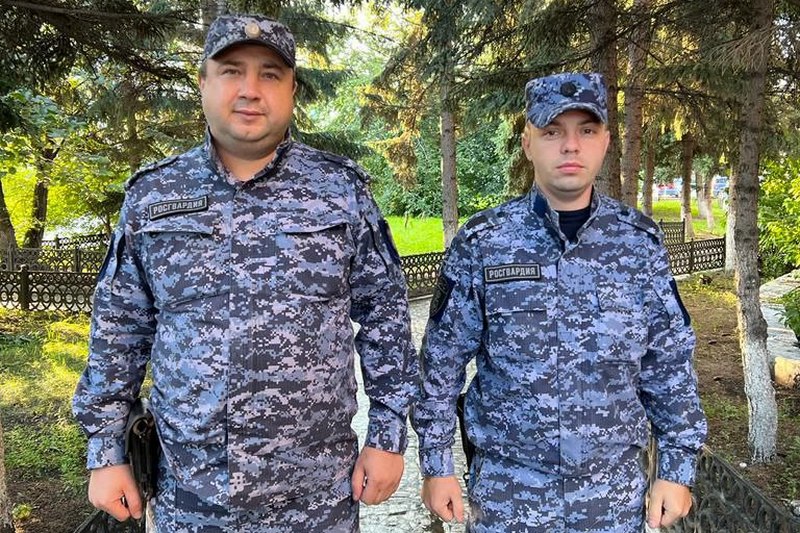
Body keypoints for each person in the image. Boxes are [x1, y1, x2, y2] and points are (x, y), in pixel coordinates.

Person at [73, 14, 418, 532]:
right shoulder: (154, 196)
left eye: (270, 74)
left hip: (317, 495)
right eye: (232, 71)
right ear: (203, 83)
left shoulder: (341, 191)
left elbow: (385, 316)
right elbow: (119, 330)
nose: (251, 90)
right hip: (189, 494)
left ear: (292, 90)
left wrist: (387, 438)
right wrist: (105, 452)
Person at [411, 72, 707, 532]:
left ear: (605, 142)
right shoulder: (484, 242)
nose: (571, 146)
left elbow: (668, 364)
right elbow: (441, 362)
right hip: (509, 500)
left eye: (586, 131)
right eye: (552, 132)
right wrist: (436, 465)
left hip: (612, 500)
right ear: (528, 143)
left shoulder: (639, 244)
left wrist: (676, 469)